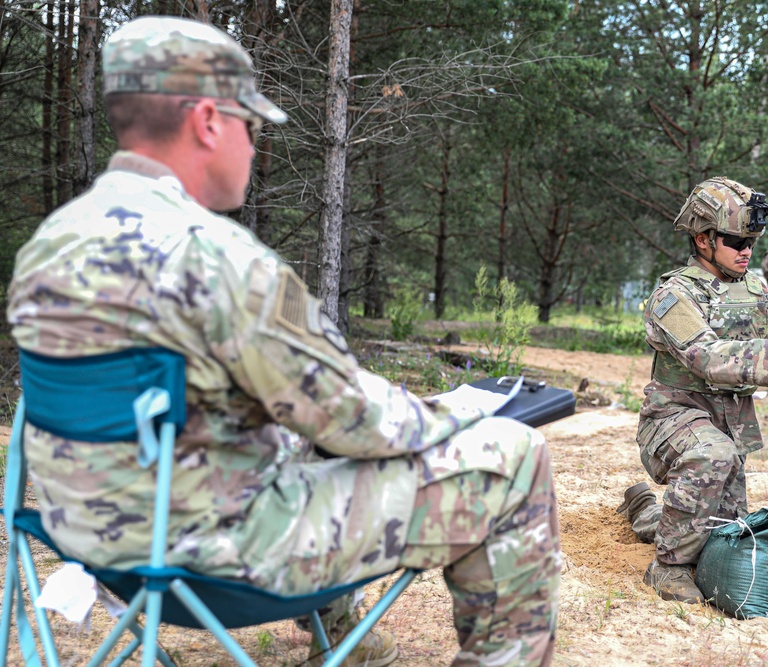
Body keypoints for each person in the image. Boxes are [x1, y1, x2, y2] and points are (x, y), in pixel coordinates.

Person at [6, 16, 560, 667]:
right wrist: (456, 412)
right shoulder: (214, 257)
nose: (253, 143)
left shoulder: (49, 245)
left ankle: (347, 642)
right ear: (208, 121)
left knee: (291, 436)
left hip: (95, 543)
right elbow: (356, 418)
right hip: (217, 557)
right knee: (515, 456)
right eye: (250, 124)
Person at [614, 177, 768, 604]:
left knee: (720, 532)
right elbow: (706, 357)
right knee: (713, 458)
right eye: (735, 240)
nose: (746, 250)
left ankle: (643, 508)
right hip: (673, 421)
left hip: (725, 426)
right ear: (703, 239)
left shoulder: (757, 291)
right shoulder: (672, 295)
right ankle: (667, 569)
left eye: (752, 241)